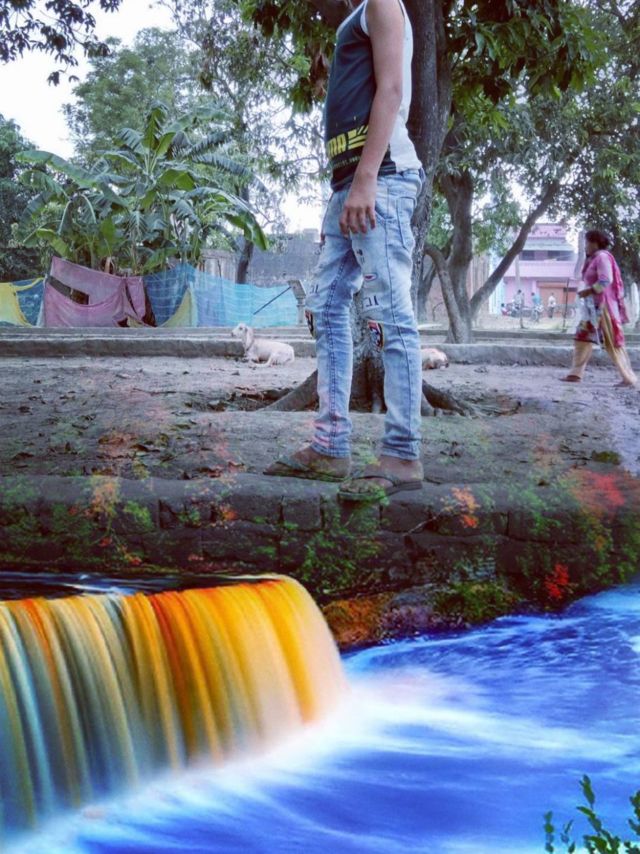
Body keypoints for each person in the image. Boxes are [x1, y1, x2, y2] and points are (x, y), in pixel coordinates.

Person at [264, 0, 425, 501]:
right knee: (327, 306)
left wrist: (366, 178)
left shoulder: (382, 3)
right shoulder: (359, 12)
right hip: (350, 185)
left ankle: (402, 454)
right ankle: (331, 445)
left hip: (381, 179)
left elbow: (392, 89)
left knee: (390, 314)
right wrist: (348, 187)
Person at [561, 229, 637, 387]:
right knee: (582, 338)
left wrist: (588, 291)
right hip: (592, 309)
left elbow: (605, 280)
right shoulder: (593, 259)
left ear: (595, 243)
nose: (585, 246)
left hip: (604, 308)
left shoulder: (602, 257)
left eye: (587, 242)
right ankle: (575, 374)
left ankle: (628, 377)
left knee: (613, 342)